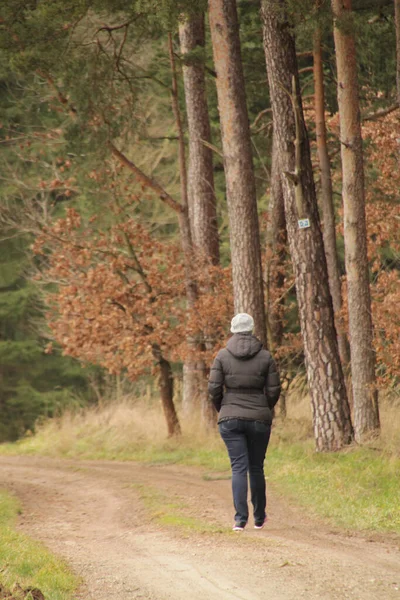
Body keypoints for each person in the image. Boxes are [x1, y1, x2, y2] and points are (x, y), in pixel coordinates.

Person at [208, 313, 281, 531]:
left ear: (232, 329)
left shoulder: (222, 356)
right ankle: (259, 518)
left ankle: (240, 520)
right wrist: (263, 407)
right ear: (252, 329)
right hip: (259, 418)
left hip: (230, 418)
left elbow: (213, 389)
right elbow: (274, 390)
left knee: (238, 467)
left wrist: (223, 408)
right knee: (256, 467)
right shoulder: (266, 356)